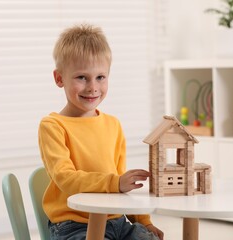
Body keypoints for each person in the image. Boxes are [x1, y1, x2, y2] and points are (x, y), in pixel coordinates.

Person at [38, 23, 164, 240]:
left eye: (100, 77)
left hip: (117, 221)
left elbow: (121, 181)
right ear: (59, 79)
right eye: (81, 77)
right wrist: (115, 183)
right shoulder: (53, 126)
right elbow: (66, 179)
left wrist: (143, 221)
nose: (92, 87)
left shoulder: (113, 125)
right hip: (74, 224)